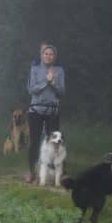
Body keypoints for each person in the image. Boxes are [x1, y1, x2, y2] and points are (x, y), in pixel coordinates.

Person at [25, 44, 66, 184]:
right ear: (41, 55)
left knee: (55, 142)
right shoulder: (35, 69)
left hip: (52, 110)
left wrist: (53, 83)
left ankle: (57, 172)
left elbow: (61, 92)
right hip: (36, 109)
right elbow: (31, 90)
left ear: (54, 56)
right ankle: (32, 171)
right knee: (35, 141)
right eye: (46, 53)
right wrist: (46, 82)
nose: (48, 56)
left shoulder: (59, 71)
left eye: (51, 54)